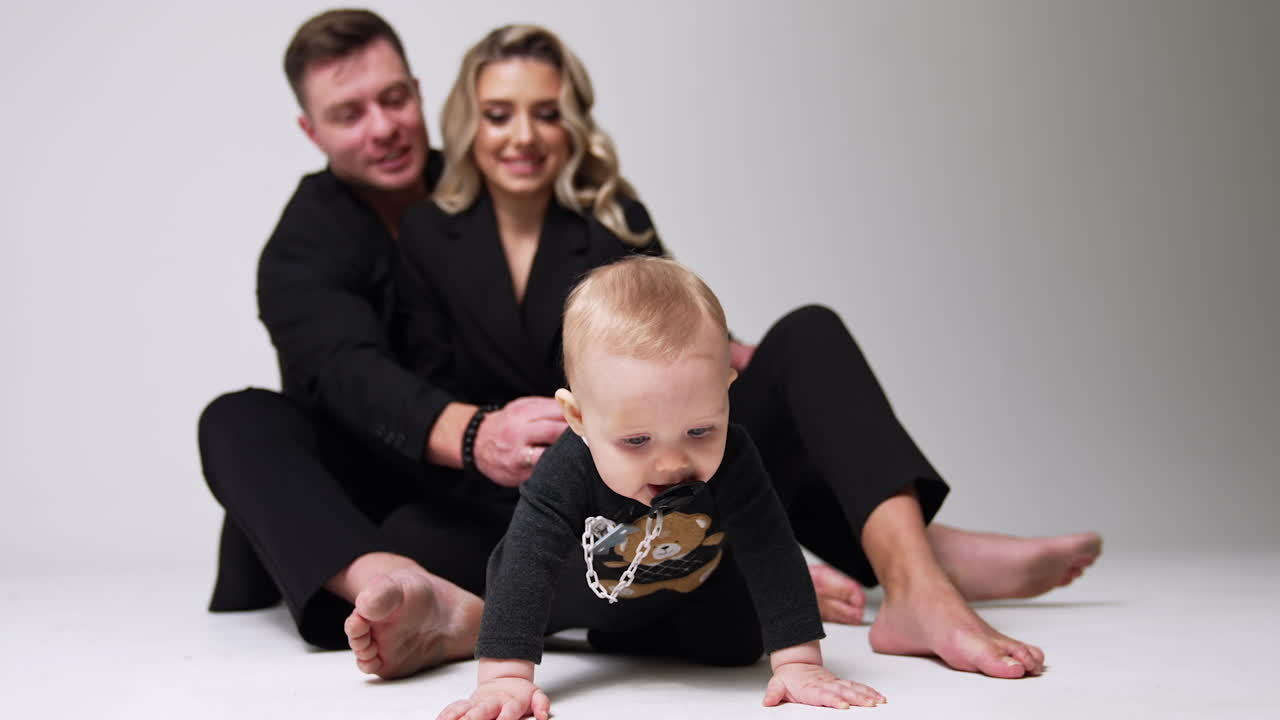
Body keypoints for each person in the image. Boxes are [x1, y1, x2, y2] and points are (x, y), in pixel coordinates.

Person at [394, 23, 1103, 681]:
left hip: (662, 464)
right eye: (499, 114)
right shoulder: (426, 234)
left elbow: (664, 328)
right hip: (520, 488)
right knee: (426, 535)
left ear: (572, 123)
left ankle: (917, 579)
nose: (524, 135)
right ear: (467, 124)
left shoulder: (613, 217)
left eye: (546, 112)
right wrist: (486, 434)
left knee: (807, 338)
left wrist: (757, 367)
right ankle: (912, 551)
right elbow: (418, 375)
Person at [439, 256, 886, 720]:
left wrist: (799, 664)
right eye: (636, 440)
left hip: (687, 580)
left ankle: (643, 634)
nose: (673, 463)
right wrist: (505, 679)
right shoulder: (568, 465)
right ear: (578, 418)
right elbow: (527, 563)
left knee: (736, 645)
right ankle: (584, 632)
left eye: (699, 432)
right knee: (522, 592)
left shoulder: (734, 453)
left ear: (725, 393)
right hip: (581, 590)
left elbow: (770, 546)